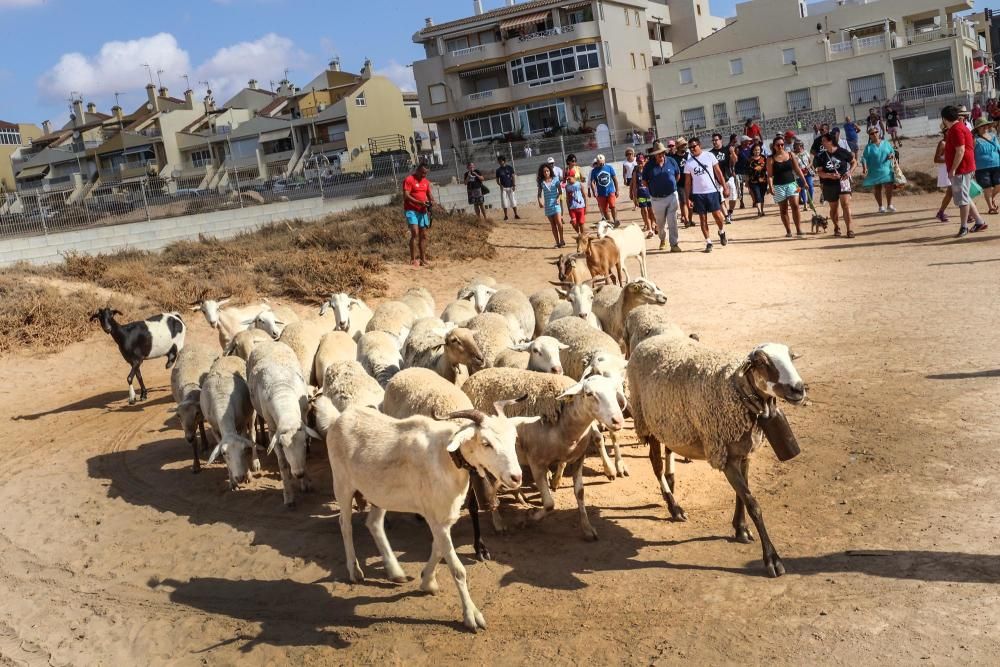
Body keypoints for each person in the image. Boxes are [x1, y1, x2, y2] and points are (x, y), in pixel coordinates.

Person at [942, 105, 987, 237]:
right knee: (965, 196)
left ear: (945, 119)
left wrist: (953, 169)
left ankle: (964, 227)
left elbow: (960, 150)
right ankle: (979, 221)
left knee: (962, 200)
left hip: (961, 169)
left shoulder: (956, 129)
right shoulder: (960, 127)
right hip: (965, 167)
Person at [683, 137, 730, 253]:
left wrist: (725, 187)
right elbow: (688, 183)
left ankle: (721, 231)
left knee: (718, 216)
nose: (692, 149)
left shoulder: (709, 156)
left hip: (712, 191)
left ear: (699, 145)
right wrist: (687, 198)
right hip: (698, 194)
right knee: (702, 219)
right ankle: (708, 242)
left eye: (694, 146)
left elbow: (718, 172)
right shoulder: (689, 163)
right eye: (690, 147)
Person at [639, 141, 682, 252]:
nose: (661, 156)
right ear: (654, 155)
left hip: (672, 196)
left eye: (662, 153)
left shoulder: (671, 161)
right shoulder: (649, 166)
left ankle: (674, 244)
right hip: (657, 199)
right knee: (660, 223)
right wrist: (654, 189)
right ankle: (663, 239)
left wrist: (672, 186)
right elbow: (644, 181)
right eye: (658, 154)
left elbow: (677, 175)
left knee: (672, 221)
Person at [814, 132, 857, 238]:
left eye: (824, 140)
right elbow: (819, 172)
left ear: (830, 141)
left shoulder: (842, 152)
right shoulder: (821, 156)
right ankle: (836, 226)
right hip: (829, 184)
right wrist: (829, 175)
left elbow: (854, 162)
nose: (822, 142)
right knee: (834, 208)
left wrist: (849, 172)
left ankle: (849, 229)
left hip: (843, 181)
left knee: (846, 205)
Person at [767, 136, 806, 237]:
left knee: (795, 206)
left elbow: (797, 169)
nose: (780, 146)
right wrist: (770, 186)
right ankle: (788, 231)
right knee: (783, 209)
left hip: (792, 183)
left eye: (782, 144)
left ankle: (798, 229)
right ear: (774, 146)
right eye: (778, 145)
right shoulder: (771, 159)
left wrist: (804, 182)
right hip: (778, 186)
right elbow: (770, 175)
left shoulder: (790, 155)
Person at [402, 161, 435, 267]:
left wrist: (432, 201)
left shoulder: (426, 181)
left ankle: (423, 259)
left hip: (423, 211)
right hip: (411, 210)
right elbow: (406, 196)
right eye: (422, 173)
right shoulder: (409, 180)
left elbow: (429, 193)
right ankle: (413, 259)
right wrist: (419, 202)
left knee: (423, 235)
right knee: (415, 233)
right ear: (417, 170)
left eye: (426, 173)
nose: (424, 175)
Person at [861, 127, 896, 214]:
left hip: (886, 169)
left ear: (879, 133)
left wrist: (891, 155)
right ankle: (880, 206)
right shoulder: (868, 147)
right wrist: (864, 168)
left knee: (889, 186)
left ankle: (889, 205)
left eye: (876, 132)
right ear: (869, 136)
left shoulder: (886, 143)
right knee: (877, 188)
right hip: (874, 170)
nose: (874, 134)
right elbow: (864, 158)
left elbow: (892, 152)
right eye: (872, 133)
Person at [973, 117, 1000, 215]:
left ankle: (991, 197)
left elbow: (998, 149)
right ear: (977, 129)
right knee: (987, 188)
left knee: (999, 185)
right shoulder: (975, 140)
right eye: (981, 126)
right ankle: (991, 207)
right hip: (981, 167)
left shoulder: (993, 136)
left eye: (986, 125)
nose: (984, 128)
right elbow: (971, 154)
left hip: (997, 164)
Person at [709, 133, 737, 224]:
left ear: (721, 140)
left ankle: (730, 212)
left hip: (728, 177)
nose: (714, 142)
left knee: (734, 196)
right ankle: (726, 216)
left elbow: (735, 160)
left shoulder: (727, 150)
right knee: (720, 198)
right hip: (717, 179)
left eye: (716, 140)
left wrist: (732, 152)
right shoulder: (710, 153)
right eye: (713, 140)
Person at [537, 163, 565, 247]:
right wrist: (540, 201)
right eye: (544, 172)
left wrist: (557, 198)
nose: (546, 173)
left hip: (556, 204)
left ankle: (562, 240)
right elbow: (539, 194)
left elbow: (560, 191)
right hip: (548, 206)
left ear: (550, 171)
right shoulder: (541, 182)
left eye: (547, 171)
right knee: (553, 225)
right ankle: (557, 242)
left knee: (559, 223)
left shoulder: (556, 179)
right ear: (542, 173)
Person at [589, 153, 620, 225]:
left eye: (603, 163)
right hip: (601, 193)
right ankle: (609, 223)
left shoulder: (609, 168)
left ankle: (615, 220)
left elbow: (614, 179)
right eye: (600, 163)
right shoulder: (594, 171)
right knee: (605, 210)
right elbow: (592, 182)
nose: (601, 165)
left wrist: (617, 190)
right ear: (597, 162)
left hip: (610, 191)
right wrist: (594, 191)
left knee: (612, 206)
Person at [630, 153, 655, 238]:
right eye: (638, 161)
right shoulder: (635, 172)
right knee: (645, 210)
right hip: (641, 194)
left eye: (641, 161)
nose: (640, 163)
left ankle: (653, 224)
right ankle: (650, 229)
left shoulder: (648, 170)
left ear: (644, 160)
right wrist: (634, 197)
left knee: (651, 211)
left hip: (650, 194)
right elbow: (634, 185)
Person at [933, 124, 953, 222]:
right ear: (944, 133)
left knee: (951, 192)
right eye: (947, 131)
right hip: (946, 170)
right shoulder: (942, 143)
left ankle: (940, 212)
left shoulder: (952, 142)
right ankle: (970, 214)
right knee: (954, 191)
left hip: (952, 169)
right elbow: (936, 159)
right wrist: (948, 160)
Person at [495, 155, 520, 221]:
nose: (500, 162)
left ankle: (516, 214)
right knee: (504, 202)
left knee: (513, 201)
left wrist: (514, 185)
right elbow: (497, 180)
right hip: (503, 188)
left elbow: (513, 176)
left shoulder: (509, 168)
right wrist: (500, 185)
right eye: (499, 161)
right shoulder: (498, 170)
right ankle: (506, 216)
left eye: (501, 161)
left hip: (510, 186)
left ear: (504, 161)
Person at [672, 139, 691, 226]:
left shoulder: (689, 155)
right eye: (683, 145)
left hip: (690, 181)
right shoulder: (674, 158)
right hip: (680, 183)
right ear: (678, 147)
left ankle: (689, 219)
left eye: (685, 145)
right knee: (683, 201)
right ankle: (686, 219)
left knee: (690, 201)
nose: (685, 146)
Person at [792, 139, 814, 210]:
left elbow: (810, 162)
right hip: (799, 174)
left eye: (800, 145)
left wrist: (808, 166)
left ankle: (811, 201)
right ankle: (805, 204)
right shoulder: (793, 154)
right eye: (797, 145)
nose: (799, 147)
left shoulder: (805, 152)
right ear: (795, 146)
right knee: (802, 188)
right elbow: (793, 165)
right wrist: (798, 169)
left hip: (807, 172)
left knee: (810, 186)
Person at [747, 144, 768, 217]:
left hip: (763, 180)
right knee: (757, 195)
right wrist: (746, 182)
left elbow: (767, 168)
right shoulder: (749, 159)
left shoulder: (763, 158)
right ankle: (759, 211)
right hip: (753, 181)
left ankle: (762, 210)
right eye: (755, 150)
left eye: (758, 150)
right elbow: (747, 172)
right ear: (752, 151)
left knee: (762, 196)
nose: (757, 151)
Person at [564, 171, 588, 236]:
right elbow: (567, 198)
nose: (568, 180)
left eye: (569, 178)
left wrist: (586, 207)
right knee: (574, 222)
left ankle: (583, 237)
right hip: (572, 208)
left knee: (581, 223)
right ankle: (579, 234)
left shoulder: (579, 184)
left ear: (574, 177)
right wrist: (568, 208)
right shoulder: (567, 187)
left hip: (580, 207)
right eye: (567, 179)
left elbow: (584, 196)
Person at [734, 135, 753, 208]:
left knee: (750, 187)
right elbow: (734, 160)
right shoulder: (738, 149)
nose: (749, 142)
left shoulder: (750, 149)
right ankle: (741, 203)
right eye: (748, 141)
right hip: (739, 171)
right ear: (743, 142)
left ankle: (754, 201)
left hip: (748, 171)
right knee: (740, 188)